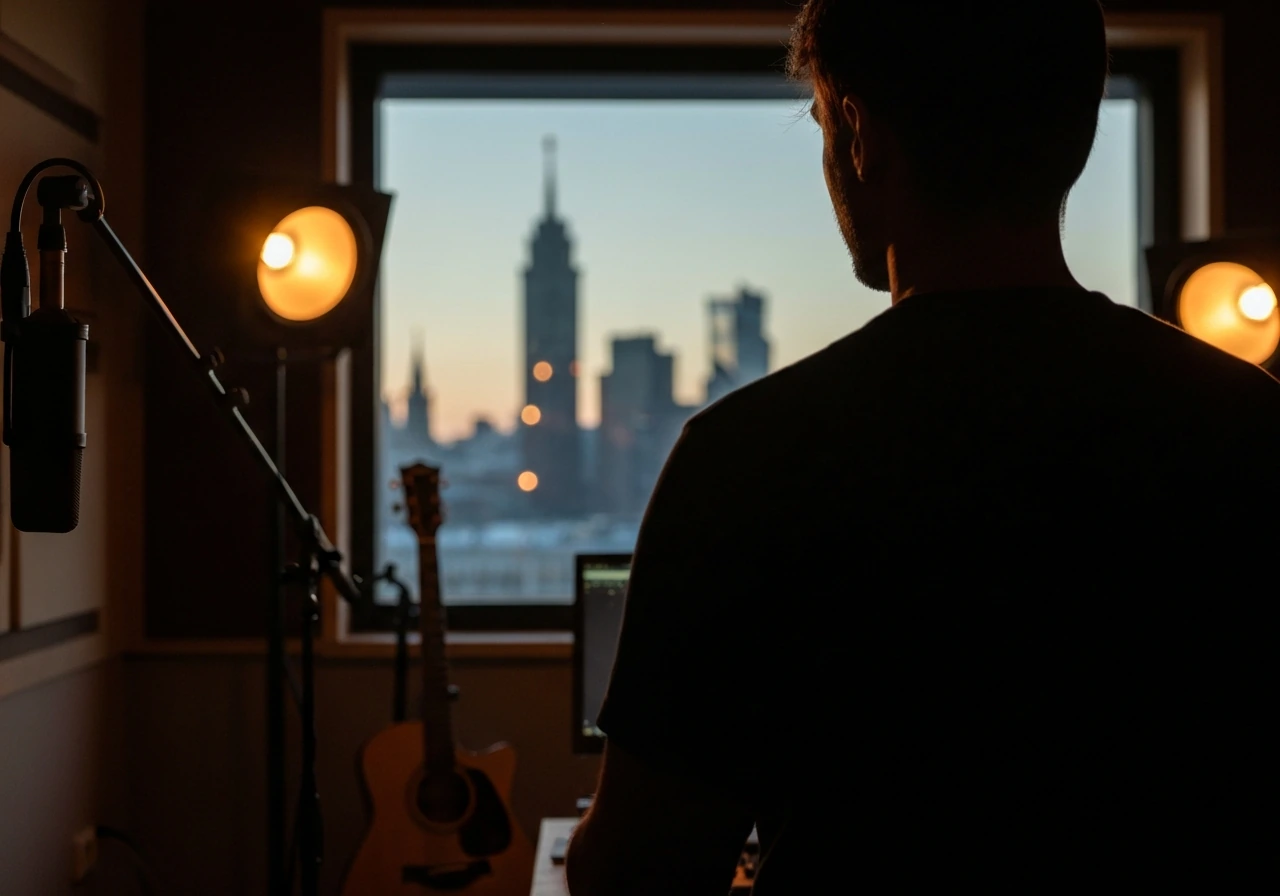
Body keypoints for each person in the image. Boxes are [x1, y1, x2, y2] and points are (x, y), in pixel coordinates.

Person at [565, 1, 1279, 892]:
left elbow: (639, 870)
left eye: (826, 122)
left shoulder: (747, 458)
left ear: (858, 134)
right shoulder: (1250, 426)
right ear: (1076, 135)